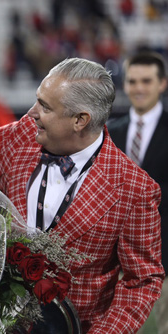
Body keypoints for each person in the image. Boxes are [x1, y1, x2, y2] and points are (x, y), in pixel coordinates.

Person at [0, 57, 164, 333]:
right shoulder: (25, 134)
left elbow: (141, 280)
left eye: (45, 106)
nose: (32, 112)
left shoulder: (135, 188)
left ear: (80, 120)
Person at [107, 51, 168, 334]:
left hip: (164, 251)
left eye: (146, 80)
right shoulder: (109, 132)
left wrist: (138, 197)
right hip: (114, 258)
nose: (139, 88)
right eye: (133, 81)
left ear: (162, 84)